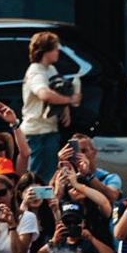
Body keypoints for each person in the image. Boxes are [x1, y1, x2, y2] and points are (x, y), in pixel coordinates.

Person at [20, 31, 80, 182]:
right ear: (45, 51)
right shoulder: (36, 71)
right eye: (55, 49)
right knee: (37, 179)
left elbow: (57, 89)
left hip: (50, 130)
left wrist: (65, 108)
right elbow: (44, 94)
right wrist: (70, 99)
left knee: (51, 177)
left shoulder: (50, 69)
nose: (58, 52)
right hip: (36, 134)